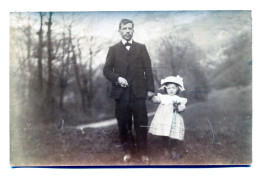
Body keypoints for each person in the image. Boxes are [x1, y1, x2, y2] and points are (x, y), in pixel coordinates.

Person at [103, 19, 155, 162]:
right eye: (124, 28)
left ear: (133, 30)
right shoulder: (113, 49)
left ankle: (143, 153)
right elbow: (106, 70)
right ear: (119, 31)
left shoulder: (141, 48)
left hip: (138, 93)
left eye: (130, 28)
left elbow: (148, 70)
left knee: (141, 122)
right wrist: (117, 78)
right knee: (124, 123)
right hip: (121, 94)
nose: (127, 31)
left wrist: (150, 89)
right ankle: (128, 152)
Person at [149, 75, 188, 159]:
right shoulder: (163, 97)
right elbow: (155, 100)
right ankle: (166, 150)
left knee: (174, 136)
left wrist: (179, 107)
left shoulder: (179, 99)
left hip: (175, 119)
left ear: (177, 89)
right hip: (164, 119)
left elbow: (183, 106)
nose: (171, 90)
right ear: (165, 88)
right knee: (164, 135)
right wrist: (150, 96)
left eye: (173, 88)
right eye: (169, 88)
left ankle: (173, 151)